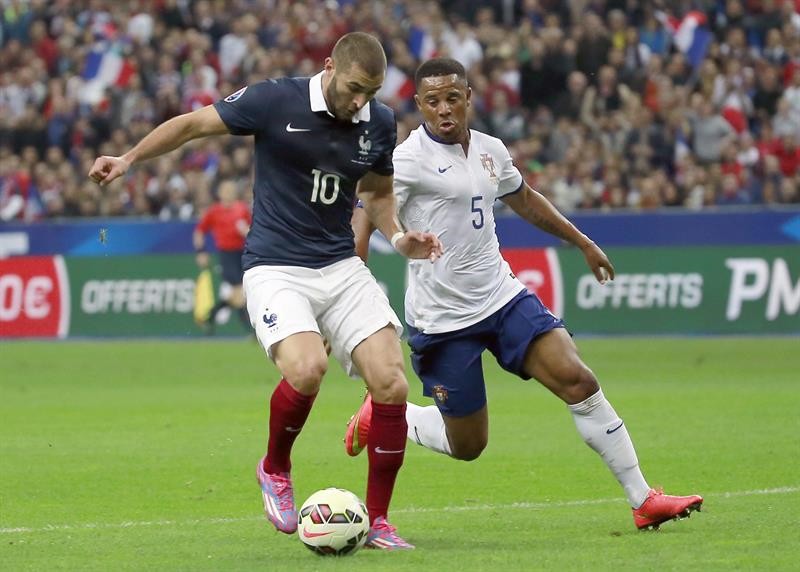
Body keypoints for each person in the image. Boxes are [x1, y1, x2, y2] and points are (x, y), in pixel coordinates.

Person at [89, 32, 443, 550]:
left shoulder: (381, 122)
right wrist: (128, 158)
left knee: (392, 383)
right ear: (329, 66)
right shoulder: (275, 100)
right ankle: (275, 467)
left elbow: (377, 193)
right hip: (277, 267)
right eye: (353, 89)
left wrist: (398, 235)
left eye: (371, 92)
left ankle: (380, 523)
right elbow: (192, 124)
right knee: (307, 369)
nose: (360, 102)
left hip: (340, 265)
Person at [345, 58, 703, 531]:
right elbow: (368, 209)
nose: (444, 109)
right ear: (420, 106)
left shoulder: (490, 149)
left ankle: (643, 499)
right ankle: (390, 414)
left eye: (452, 98)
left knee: (578, 380)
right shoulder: (407, 160)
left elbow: (526, 199)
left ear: (468, 97)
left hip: (501, 296)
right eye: (432, 101)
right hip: (442, 320)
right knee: (468, 445)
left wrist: (582, 242)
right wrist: (359, 282)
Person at [193, 179, 252, 332]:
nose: (228, 193)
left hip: (242, 254)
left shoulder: (242, 209)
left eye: (231, 190)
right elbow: (199, 232)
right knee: (239, 291)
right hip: (227, 255)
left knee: (240, 293)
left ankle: (210, 317)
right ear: (220, 193)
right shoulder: (214, 211)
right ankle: (250, 330)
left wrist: (245, 231)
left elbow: (252, 232)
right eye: (225, 190)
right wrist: (201, 251)